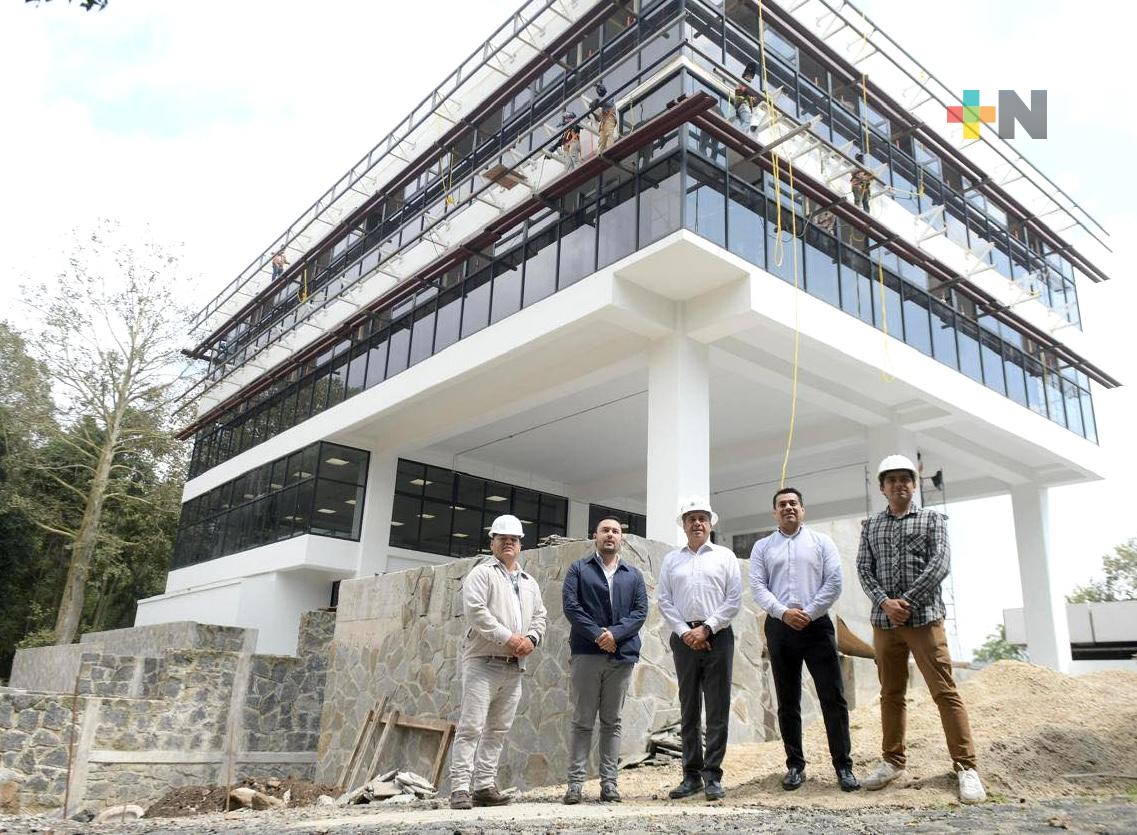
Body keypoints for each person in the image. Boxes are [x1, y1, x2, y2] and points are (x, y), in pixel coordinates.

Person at [856, 455, 986, 804]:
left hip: (924, 619)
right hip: (885, 624)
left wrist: (906, 602)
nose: (899, 485)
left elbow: (940, 562)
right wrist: (886, 603)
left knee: (944, 691)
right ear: (882, 487)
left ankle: (966, 767)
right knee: (891, 694)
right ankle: (892, 761)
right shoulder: (870, 526)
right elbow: (864, 570)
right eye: (892, 480)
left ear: (914, 485)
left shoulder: (933, 520)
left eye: (905, 479)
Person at [750, 488, 859, 793]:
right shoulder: (762, 547)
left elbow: (834, 581)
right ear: (775, 512)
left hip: (817, 626)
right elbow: (758, 586)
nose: (788, 508)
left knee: (833, 698)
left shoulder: (822, 542)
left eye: (793, 503)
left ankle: (843, 766)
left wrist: (808, 613)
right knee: (787, 701)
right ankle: (795, 766)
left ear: (802, 509)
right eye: (782, 505)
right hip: (780, 627)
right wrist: (783, 613)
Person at [449, 514, 548, 810]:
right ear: (492, 542)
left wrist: (531, 638)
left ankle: (483, 786)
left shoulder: (529, 582)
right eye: (502, 538)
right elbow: (477, 612)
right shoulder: (481, 574)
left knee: (498, 730)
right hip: (483, 661)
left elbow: (541, 615)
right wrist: (508, 638)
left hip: (513, 666)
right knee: (471, 727)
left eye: (514, 539)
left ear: (520, 545)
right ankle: (459, 789)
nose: (509, 543)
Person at [656, 497, 742, 802]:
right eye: (691, 518)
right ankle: (690, 775)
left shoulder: (725, 556)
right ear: (683, 524)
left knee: (717, 708)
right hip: (683, 639)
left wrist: (707, 629)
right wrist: (685, 632)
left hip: (718, 636)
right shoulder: (671, 560)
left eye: (702, 518)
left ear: (710, 524)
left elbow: (734, 599)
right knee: (688, 707)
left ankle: (713, 776)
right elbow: (664, 600)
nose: (696, 523)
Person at [561, 517, 648, 804]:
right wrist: (600, 635)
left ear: (622, 538)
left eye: (616, 531)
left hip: (621, 656)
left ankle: (609, 784)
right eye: (605, 531)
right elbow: (572, 607)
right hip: (587, 653)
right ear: (595, 536)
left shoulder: (633, 574)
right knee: (582, 720)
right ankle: (575, 784)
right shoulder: (578, 569)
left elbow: (639, 612)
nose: (610, 535)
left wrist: (615, 634)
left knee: (612, 721)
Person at [732, 61, 760, 132]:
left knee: (744, 122)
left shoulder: (749, 87)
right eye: (748, 75)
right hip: (743, 105)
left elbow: (755, 102)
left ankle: (742, 135)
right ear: (745, 75)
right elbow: (744, 90)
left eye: (751, 76)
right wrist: (753, 95)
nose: (749, 77)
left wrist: (755, 98)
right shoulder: (742, 83)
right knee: (747, 120)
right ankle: (743, 137)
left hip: (744, 107)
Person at [594, 82, 619, 152]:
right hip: (604, 122)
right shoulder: (601, 101)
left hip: (610, 119)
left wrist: (597, 102)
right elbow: (599, 118)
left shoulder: (609, 97)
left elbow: (607, 103)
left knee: (609, 135)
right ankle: (600, 154)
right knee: (602, 139)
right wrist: (593, 114)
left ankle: (610, 150)